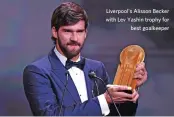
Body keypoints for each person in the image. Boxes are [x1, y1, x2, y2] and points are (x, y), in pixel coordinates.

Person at [23, 2, 147, 116]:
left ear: (85, 33)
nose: (75, 38)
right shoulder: (37, 71)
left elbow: (116, 115)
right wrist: (104, 100)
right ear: (55, 32)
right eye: (67, 31)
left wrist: (131, 86)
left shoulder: (97, 68)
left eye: (80, 31)